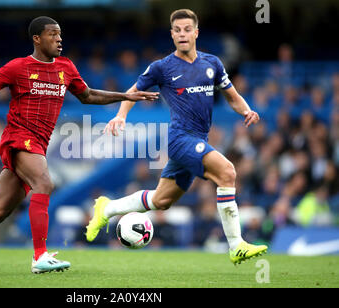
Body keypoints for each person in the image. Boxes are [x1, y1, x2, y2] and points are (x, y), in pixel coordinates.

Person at [0, 16, 159, 273]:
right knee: (45, 183)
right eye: (53, 35)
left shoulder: (66, 67)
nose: (59, 39)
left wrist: (125, 96)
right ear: (37, 39)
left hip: (38, 144)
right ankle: (40, 256)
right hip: (18, 137)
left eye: (60, 35)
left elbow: (89, 95)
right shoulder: (19, 67)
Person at [85, 9, 267, 265]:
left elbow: (233, 97)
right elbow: (134, 91)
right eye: (177, 30)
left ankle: (108, 208)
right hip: (181, 138)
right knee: (227, 172)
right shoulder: (162, 67)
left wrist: (247, 110)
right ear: (172, 35)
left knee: (161, 200)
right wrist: (121, 115)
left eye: (187, 29)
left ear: (196, 32)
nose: (182, 34)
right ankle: (236, 245)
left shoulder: (212, 63)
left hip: (197, 138)